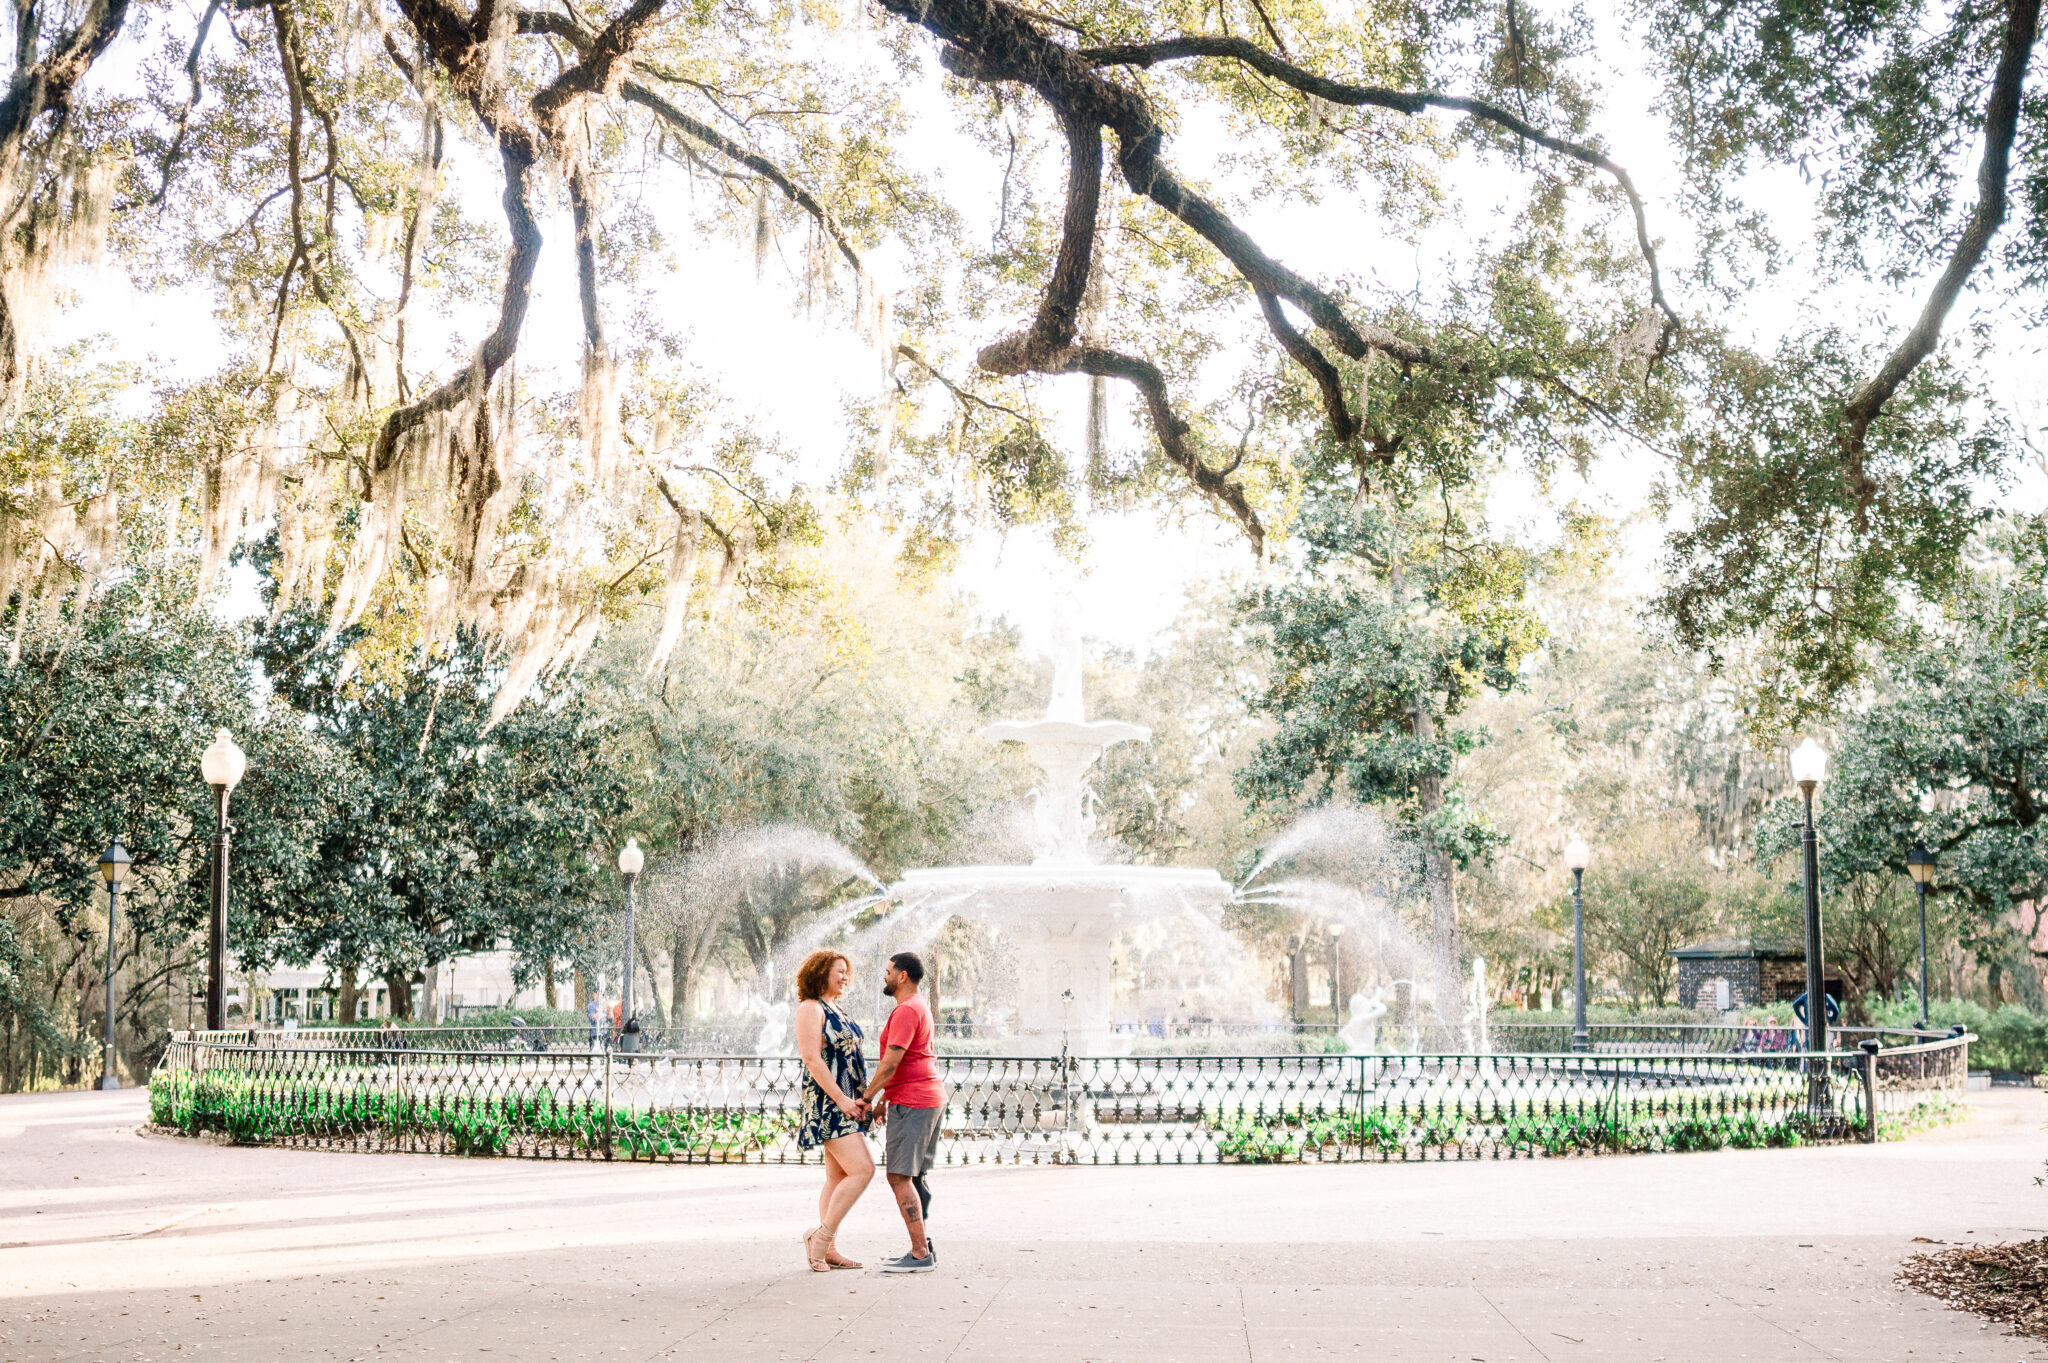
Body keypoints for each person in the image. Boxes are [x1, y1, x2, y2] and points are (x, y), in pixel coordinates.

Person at [862, 951, 943, 1274]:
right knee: (914, 1175)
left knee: (899, 1175)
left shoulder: (907, 1011)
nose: (885, 976)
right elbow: (908, 1061)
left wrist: (866, 1098)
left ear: (903, 976)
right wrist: (885, 1098)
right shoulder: (917, 1007)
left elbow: (892, 1062)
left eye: (888, 971)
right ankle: (924, 1244)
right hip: (925, 1097)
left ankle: (920, 1252)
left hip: (915, 1101)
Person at [794, 950, 873, 1272]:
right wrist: (842, 1099)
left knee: (837, 1176)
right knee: (863, 1170)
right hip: (829, 1102)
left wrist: (862, 1099)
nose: (845, 977)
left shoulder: (834, 1008)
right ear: (820, 973)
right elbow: (812, 1059)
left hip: (846, 1100)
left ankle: (829, 1248)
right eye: (838, 971)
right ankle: (820, 1240)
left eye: (846, 972)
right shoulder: (810, 1009)